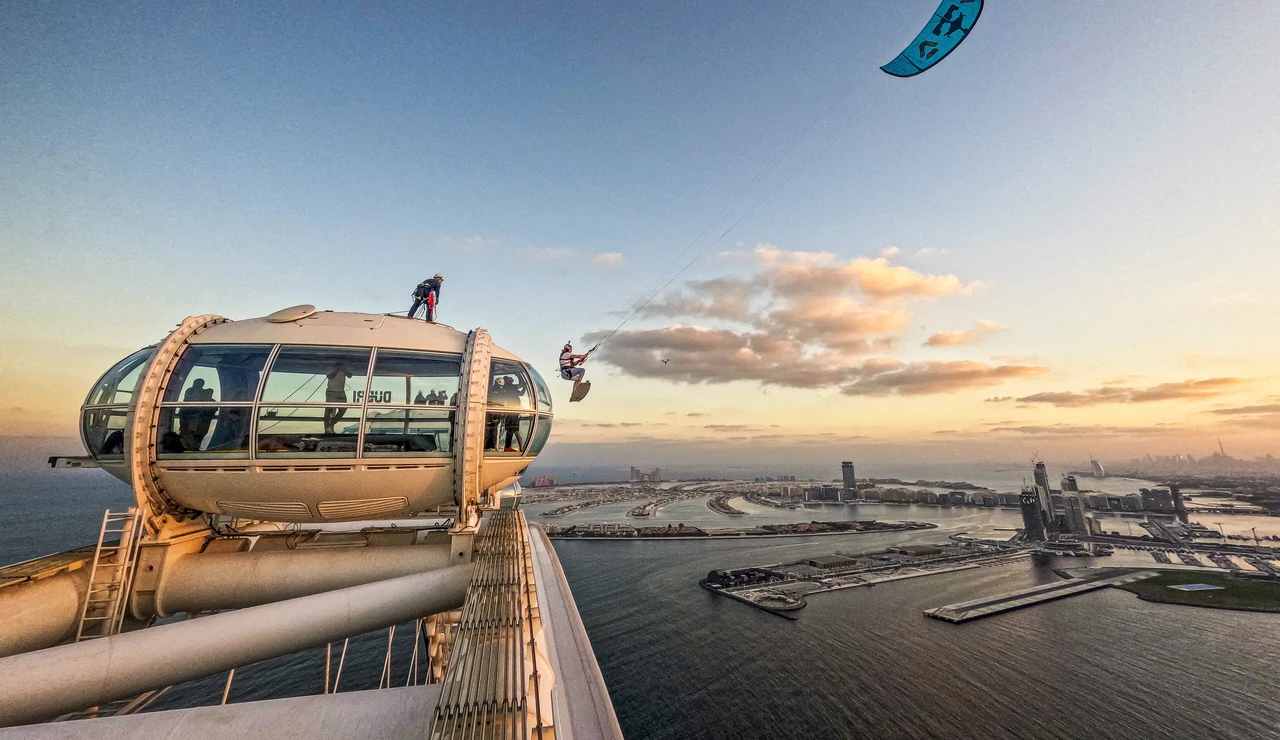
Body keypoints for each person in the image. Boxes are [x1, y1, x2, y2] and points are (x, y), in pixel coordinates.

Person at [323, 364, 353, 434]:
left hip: (341, 391)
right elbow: (329, 376)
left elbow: (350, 375)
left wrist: (344, 370)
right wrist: (336, 370)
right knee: (328, 410)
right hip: (331, 391)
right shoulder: (331, 368)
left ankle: (331, 424)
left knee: (343, 408)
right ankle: (327, 427)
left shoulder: (343, 369)